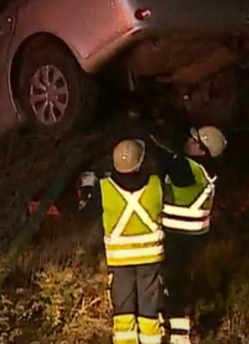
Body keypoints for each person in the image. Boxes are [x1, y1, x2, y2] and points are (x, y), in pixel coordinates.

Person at [82, 139, 166, 344]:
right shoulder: (157, 183)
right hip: (150, 257)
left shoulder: (103, 188)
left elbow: (87, 213)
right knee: (149, 309)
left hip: (120, 260)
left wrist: (87, 189)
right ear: (141, 162)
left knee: (123, 309)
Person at [161, 126, 227, 344]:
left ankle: (178, 337)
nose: (187, 141)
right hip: (195, 238)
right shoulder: (207, 170)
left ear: (201, 149)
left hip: (179, 237)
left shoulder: (188, 169)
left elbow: (165, 160)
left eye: (192, 139)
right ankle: (178, 331)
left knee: (175, 286)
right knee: (181, 285)